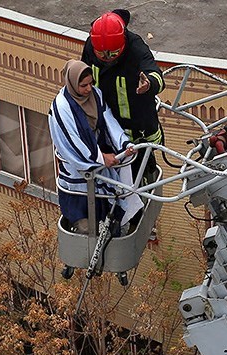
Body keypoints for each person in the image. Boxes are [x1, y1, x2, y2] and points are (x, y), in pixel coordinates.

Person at [48, 59, 142, 235]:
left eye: (91, 83)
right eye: (84, 85)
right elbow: (71, 141)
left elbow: (108, 120)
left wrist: (124, 143)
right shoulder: (61, 107)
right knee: (87, 216)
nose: (89, 89)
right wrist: (99, 157)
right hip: (78, 167)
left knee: (104, 204)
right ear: (72, 83)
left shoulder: (95, 95)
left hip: (96, 157)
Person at [82, 9, 165, 184]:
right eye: (102, 54)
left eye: (112, 54)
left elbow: (156, 74)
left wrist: (149, 83)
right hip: (105, 128)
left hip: (137, 133)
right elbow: (83, 74)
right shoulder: (91, 46)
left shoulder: (136, 48)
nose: (107, 59)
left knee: (135, 181)